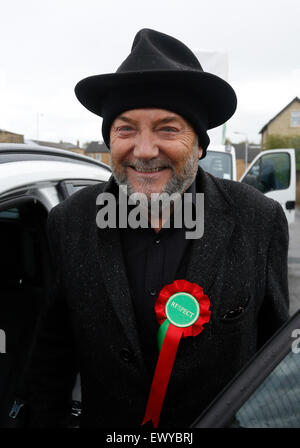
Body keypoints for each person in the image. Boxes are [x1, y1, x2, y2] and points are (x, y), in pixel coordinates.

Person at [19, 28, 289, 428]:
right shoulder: (69, 222)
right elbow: (51, 361)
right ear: (109, 140)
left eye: (167, 128)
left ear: (198, 144)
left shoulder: (257, 220)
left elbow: (277, 366)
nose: (144, 151)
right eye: (126, 129)